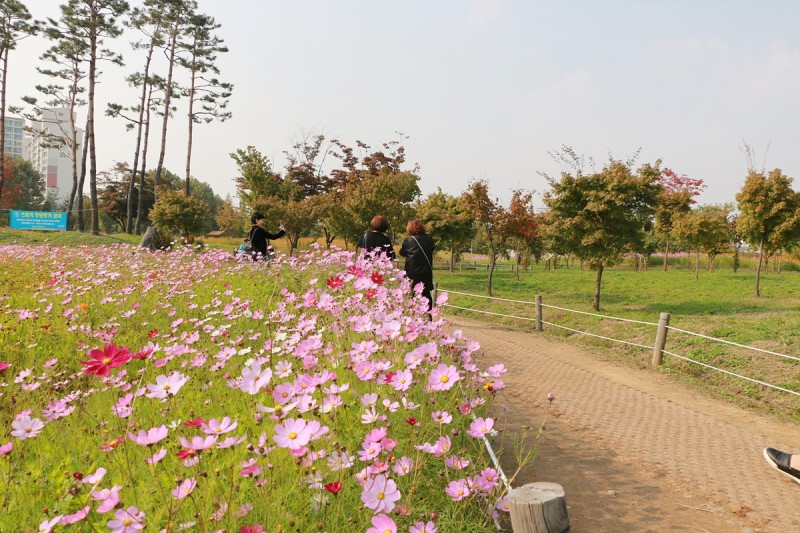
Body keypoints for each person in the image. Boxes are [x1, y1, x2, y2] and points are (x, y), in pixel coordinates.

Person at [399, 218, 435, 310]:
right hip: (426, 272)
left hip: (412, 273)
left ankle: (412, 316)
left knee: (411, 295)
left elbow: (402, 253)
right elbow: (431, 249)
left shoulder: (409, 240)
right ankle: (428, 317)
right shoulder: (429, 238)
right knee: (426, 294)